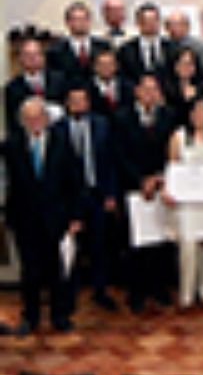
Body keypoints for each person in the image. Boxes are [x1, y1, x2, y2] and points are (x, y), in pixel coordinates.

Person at [4, 98, 84, 334]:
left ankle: (60, 316)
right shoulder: (13, 145)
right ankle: (31, 317)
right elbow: (11, 184)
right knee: (30, 272)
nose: (34, 122)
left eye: (39, 117)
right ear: (22, 122)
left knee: (58, 270)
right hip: (25, 219)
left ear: (47, 119)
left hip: (57, 218)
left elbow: (75, 183)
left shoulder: (62, 143)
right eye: (29, 118)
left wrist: (76, 217)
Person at [113, 73, 176, 313]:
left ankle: (159, 288)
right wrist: (141, 181)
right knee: (136, 243)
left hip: (162, 186)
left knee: (160, 241)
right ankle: (136, 292)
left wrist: (159, 178)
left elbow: (172, 151)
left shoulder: (168, 116)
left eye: (154, 90)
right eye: (145, 90)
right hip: (134, 189)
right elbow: (119, 155)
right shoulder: (122, 118)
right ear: (137, 92)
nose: (150, 94)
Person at [162, 96, 203, 310]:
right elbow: (171, 167)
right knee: (188, 247)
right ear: (189, 114)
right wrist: (168, 190)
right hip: (187, 203)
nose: (199, 116)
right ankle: (187, 293)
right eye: (195, 111)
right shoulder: (178, 137)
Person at [62, 83, 119, 313]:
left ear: (88, 102)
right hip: (70, 200)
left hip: (98, 194)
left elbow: (111, 162)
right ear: (67, 104)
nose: (78, 105)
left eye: (81, 100)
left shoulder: (102, 125)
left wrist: (111, 194)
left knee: (100, 247)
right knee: (72, 250)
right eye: (73, 100)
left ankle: (100, 291)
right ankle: (69, 295)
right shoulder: (58, 130)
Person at [5, 29, 67, 135]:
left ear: (43, 57)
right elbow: (13, 124)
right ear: (20, 59)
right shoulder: (12, 88)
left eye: (36, 54)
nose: (32, 58)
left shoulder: (60, 80)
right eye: (28, 55)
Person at [47, 0, 111, 80]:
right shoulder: (55, 50)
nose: (80, 23)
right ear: (67, 23)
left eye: (84, 19)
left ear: (89, 21)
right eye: (76, 19)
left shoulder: (104, 46)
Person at [164, 8, 203, 90]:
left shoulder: (201, 47)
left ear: (187, 26)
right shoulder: (163, 46)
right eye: (170, 25)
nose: (174, 28)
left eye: (178, 24)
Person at [117, 2, 175, 85]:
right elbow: (123, 78)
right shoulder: (126, 50)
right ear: (138, 23)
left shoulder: (172, 47)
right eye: (146, 21)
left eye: (154, 20)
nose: (151, 25)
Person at [162, 46, 203, 118]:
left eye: (190, 64)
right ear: (175, 66)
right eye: (182, 63)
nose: (186, 67)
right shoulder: (166, 87)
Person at [89, 48, 134, 118]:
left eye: (110, 64)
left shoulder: (128, 86)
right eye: (102, 64)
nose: (106, 68)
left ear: (116, 66)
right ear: (95, 67)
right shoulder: (87, 88)